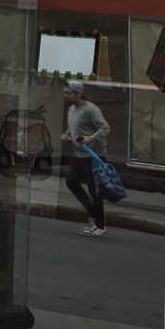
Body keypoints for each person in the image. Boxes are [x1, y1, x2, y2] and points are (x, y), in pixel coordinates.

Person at [60, 80, 112, 236]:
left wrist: (91, 138)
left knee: (94, 190)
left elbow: (105, 128)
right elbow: (74, 126)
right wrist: (67, 134)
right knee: (71, 182)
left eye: (69, 93)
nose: (66, 96)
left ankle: (100, 226)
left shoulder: (91, 109)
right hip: (80, 154)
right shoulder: (71, 109)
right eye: (65, 93)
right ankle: (94, 214)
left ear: (79, 94)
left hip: (95, 155)